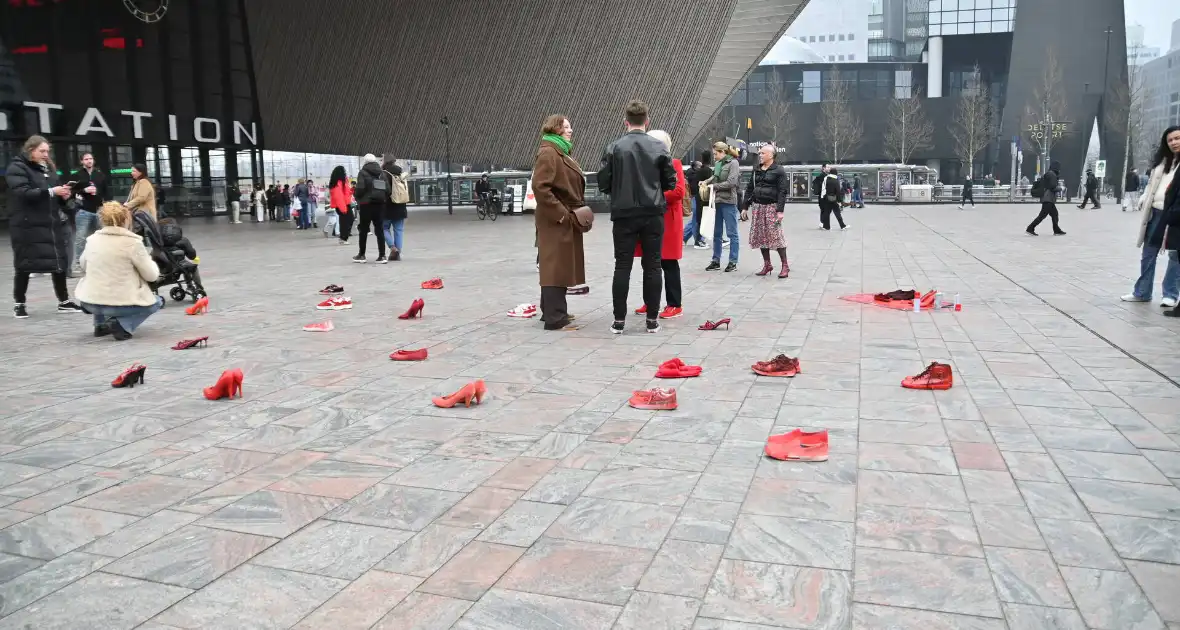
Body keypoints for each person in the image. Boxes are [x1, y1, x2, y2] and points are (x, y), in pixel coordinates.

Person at [598, 100, 677, 334]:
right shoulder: (659, 147)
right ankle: (652, 320)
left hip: (623, 213)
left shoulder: (614, 147)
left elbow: (603, 182)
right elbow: (670, 181)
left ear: (626, 121)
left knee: (622, 266)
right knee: (652, 265)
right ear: (647, 121)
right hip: (652, 212)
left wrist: (619, 190)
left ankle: (619, 321)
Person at [7, 135, 84, 318]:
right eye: (42, 151)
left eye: (47, 151)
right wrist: (51, 191)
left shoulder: (48, 169)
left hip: (50, 223)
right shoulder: (17, 167)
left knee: (58, 262)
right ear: (30, 150)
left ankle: (64, 301)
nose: (45, 154)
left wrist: (64, 196)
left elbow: (54, 196)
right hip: (26, 225)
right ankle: (19, 303)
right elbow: (23, 192)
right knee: (24, 263)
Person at [75, 202, 163, 340]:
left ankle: (100, 324)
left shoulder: (92, 240)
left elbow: (83, 265)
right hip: (119, 304)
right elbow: (151, 275)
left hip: (89, 302)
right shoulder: (132, 243)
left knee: (101, 279)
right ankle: (122, 325)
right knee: (157, 302)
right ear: (126, 219)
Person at [533, 114, 587, 331]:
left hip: (560, 217)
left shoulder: (559, 151)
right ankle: (556, 318)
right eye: (566, 126)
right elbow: (540, 187)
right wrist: (562, 213)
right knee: (554, 265)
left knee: (557, 264)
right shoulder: (549, 152)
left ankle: (551, 310)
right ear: (555, 129)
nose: (570, 130)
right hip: (556, 219)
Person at [1123, 126, 1180, 309]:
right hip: (1155, 212)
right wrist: (1143, 198)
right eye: (1170, 140)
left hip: (1175, 215)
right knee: (1148, 253)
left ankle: (1170, 294)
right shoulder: (1162, 163)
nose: (1174, 142)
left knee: (1175, 255)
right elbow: (1150, 187)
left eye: (1177, 138)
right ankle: (1142, 292)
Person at [635, 129, 686, 319]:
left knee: (668, 262)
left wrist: (652, 197)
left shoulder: (674, 164)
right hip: (648, 220)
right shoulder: (643, 165)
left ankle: (674, 304)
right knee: (648, 263)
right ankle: (650, 302)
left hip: (668, 221)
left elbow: (678, 191)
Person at [744, 143, 790, 278]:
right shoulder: (756, 169)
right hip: (758, 207)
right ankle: (767, 264)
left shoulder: (779, 170)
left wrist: (780, 210)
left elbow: (783, 191)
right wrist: (744, 206)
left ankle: (785, 266)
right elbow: (749, 188)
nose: (760, 155)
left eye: (762, 153)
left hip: (771, 207)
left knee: (776, 236)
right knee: (760, 236)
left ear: (771, 155)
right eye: (760, 153)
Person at [69, 152, 110, 277]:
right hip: (83, 210)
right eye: (86, 159)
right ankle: (78, 263)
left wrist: (107, 206)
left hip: (98, 210)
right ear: (82, 161)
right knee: (81, 237)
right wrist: (83, 190)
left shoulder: (100, 175)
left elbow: (106, 192)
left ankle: (99, 262)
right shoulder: (77, 175)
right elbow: (70, 191)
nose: (89, 161)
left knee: (100, 237)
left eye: (91, 158)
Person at [702, 142, 741, 271]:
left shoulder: (733, 163)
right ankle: (715, 260)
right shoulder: (718, 164)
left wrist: (714, 186)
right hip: (717, 201)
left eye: (716, 154)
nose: (714, 157)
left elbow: (732, 182)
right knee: (716, 233)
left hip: (729, 201)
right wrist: (706, 182)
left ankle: (733, 262)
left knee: (732, 233)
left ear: (723, 152)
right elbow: (715, 177)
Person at [352, 154, 388, 263]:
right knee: (379, 229)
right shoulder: (382, 173)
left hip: (366, 204)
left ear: (365, 162)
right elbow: (388, 189)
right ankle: (382, 256)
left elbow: (360, 188)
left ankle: (362, 255)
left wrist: (357, 197)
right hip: (379, 204)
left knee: (363, 230)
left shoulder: (362, 172)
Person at [1026, 161, 1066, 236]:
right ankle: (1030, 228)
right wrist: (1061, 188)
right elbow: (1053, 187)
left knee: (1054, 214)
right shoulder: (1052, 174)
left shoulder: (1049, 174)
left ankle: (1056, 230)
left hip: (1047, 198)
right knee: (1042, 215)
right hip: (1048, 198)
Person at [683, 153, 709, 248]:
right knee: (696, 220)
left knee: (695, 219)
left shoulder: (691, 173)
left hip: (694, 198)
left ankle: (684, 236)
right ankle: (697, 240)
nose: (701, 166)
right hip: (696, 198)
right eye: (699, 165)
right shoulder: (694, 175)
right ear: (695, 167)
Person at [384, 161, 409, 260]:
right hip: (400, 206)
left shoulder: (384, 174)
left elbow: (384, 191)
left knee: (383, 228)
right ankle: (398, 251)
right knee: (398, 230)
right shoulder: (401, 174)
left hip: (387, 207)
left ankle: (393, 247)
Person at [328, 166, 353, 244]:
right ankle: (343, 238)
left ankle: (343, 237)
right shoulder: (338, 183)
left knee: (348, 220)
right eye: (344, 171)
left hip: (346, 204)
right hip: (342, 205)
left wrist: (351, 191)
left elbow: (346, 193)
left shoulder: (343, 181)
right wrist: (343, 208)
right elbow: (338, 196)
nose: (345, 173)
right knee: (345, 222)